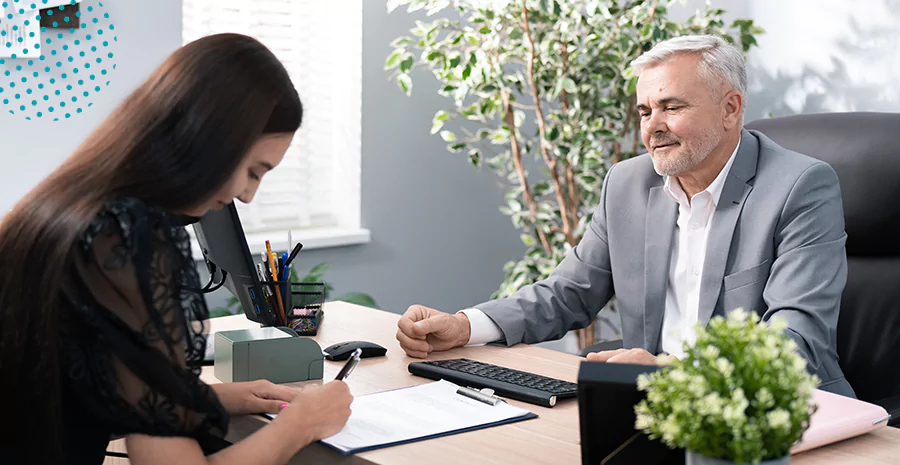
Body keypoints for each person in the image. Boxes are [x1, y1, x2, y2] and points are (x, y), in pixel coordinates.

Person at [396, 34, 855, 398]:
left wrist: (672, 372)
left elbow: (795, 343)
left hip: (778, 415)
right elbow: (567, 294)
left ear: (730, 108)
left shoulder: (800, 187)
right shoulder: (628, 183)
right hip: (653, 409)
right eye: (644, 110)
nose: (652, 126)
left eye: (672, 107)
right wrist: (465, 325)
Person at [0, 34, 352, 465]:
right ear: (211, 142)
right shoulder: (129, 240)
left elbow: (63, 399)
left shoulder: (68, 205)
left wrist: (205, 398)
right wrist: (303, 425)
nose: (248, 196)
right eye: (253, 171)